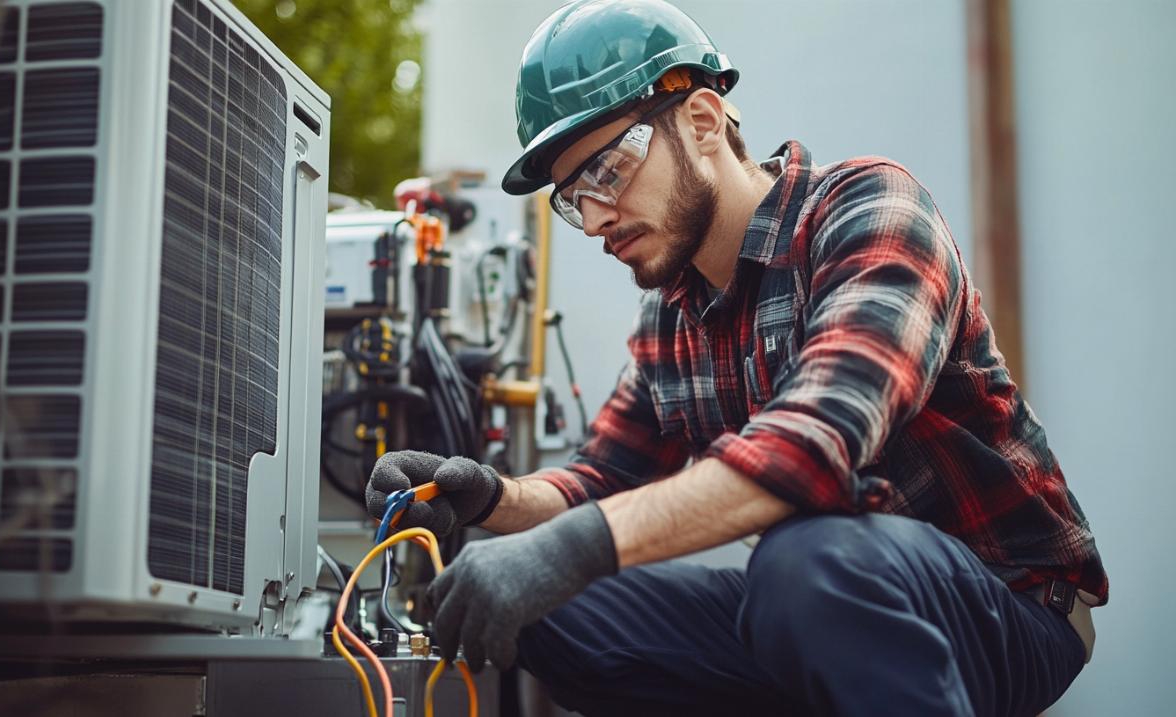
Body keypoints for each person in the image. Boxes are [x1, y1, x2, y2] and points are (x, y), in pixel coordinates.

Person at [365, 1, 1107, 714]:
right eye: (571, 196)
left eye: (607, 170)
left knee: (803, 565)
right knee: (541, 608)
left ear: (702, 119)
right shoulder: (670, 312)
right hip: (818, 604)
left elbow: (816, 447)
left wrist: (567, 548)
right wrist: (491, 500)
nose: (591, 218)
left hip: (1008, 603)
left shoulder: (868, 211)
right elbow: (604, 478)